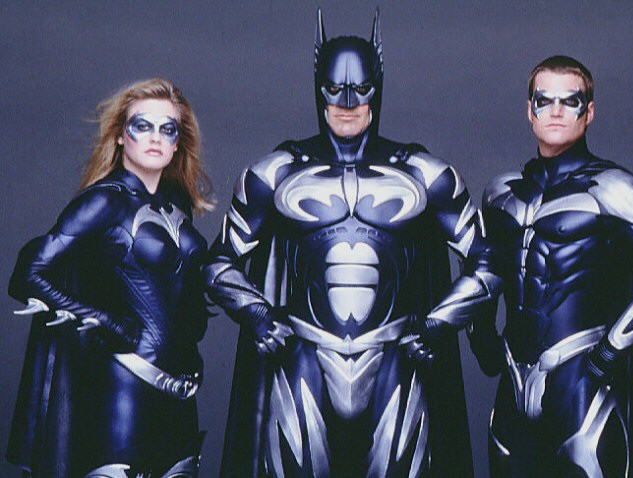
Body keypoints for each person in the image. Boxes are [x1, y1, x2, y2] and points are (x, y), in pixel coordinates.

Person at [204, 9, 488, 478]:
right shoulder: (277, 172)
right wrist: (257, 313)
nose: (348, 101)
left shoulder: (423, 173)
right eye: (335, 89)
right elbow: (218, 262)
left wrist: (437, 324)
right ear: (319, 88)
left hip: (393, 358)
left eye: (361, 89)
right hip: (304, 359)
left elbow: (487, 262)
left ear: (378, 87)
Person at [468, 55, 633, 477]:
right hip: (512, 389)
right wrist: (482, 337)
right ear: (530, 110)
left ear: (589, 112)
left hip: (582, 389)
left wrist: (610, 349)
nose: (556, 110)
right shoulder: (501, 195)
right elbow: (483, 270)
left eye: (570, 100)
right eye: (544, 100)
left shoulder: (614, 190)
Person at [8, 78, 213, 477]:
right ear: (120, 135)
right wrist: (105, 320)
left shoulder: (177, 206)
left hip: (181, 398)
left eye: (167, 129)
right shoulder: (104, 200)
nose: (155, 137)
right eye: (142, 125)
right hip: (123, 389)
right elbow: (28, 273)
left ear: (178, 143)